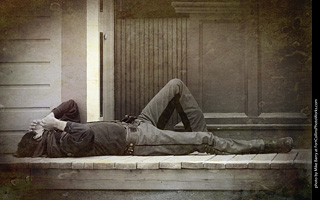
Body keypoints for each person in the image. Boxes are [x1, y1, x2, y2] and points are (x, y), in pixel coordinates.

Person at [15, 79, 293, 158]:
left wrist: (47, 116)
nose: (39, 127)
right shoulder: (59, 146)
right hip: (140, 141)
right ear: (39, 140)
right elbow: (84, 135)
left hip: (137, 124)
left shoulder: (53, 132)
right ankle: (269, 146)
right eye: (37, 129)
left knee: (175, 85)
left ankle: (203, 142)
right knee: (205, 138)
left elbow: (72, 106)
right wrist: (57, 125)